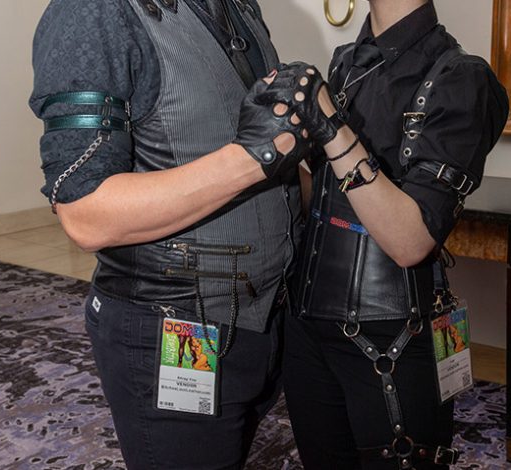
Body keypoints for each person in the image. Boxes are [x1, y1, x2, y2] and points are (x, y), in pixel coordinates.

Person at [29, 0, 309, 468]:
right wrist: (256, 156)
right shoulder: (94, 12)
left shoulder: (237, 7)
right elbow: (85, 213)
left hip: (263, 320)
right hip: (173, 327)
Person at [257, 0, 509, 468]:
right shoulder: (346, 63)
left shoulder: (462, 78)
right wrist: (268, 151)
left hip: (391, 336)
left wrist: (329, 123)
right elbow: (327, 203)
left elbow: (410, 241)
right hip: (307, 325)